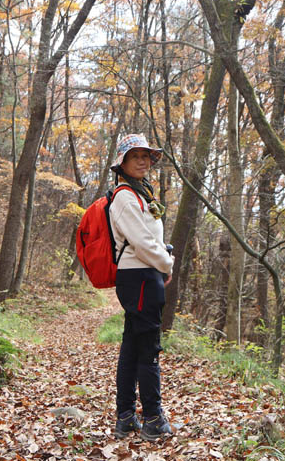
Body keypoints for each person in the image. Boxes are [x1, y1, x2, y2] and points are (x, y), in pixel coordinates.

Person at [109, 133, 174, 441]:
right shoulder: (124, 197)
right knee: (148, 349)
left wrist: (161, 259)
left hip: (143, 276)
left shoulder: (141, 193)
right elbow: (143, 243)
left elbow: (150, 241)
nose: (143, 160)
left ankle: (125, 418)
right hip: (139, 277)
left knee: (133, 347)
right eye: (136, 156)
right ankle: (152, 418)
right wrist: (167, 264)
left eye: (146, 155)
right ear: (122, 162)